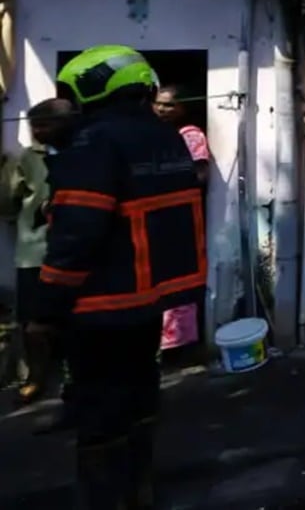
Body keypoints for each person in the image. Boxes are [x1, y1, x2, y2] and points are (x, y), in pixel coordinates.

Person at [37, 47, 207, 509]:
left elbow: (77, 230)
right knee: (139, 396)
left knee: (100, 410)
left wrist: (47, 304)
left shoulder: (94, 142)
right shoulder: (166, 137)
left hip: (101, 302)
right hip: (150, 298)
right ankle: (139, 490)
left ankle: (107, 499)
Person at [1, 99, 78, 407]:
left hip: (74, 248)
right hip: (35, 251)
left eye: (42, 125)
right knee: (34, 322)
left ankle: (74, 379)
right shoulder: (28, 158)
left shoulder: (87, 152)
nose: (36, 132)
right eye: (34, 126)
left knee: (75, 319)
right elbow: (7, 205)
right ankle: (37, 376)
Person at [151, 85, 208, 355]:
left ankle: (179, 344)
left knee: (179, 281)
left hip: (180, 217)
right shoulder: (155, 134)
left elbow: (200, 175)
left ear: (183, 108)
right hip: (155, 218)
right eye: (158, 104)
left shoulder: (191, 135)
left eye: (169, 105)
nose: (162, 109)